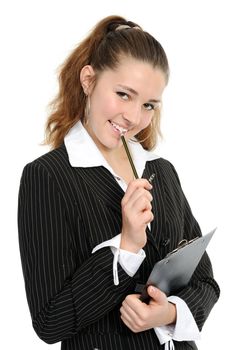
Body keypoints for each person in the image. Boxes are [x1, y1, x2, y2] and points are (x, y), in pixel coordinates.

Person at [18, 15, 220, 350]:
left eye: (148, 105)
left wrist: (168, 313)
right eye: (123, 94)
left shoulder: (162, 172)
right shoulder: (49, 176)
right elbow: (49, 321)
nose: (134, 117)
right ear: (88, 80)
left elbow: (205, 282)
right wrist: (125, 248)